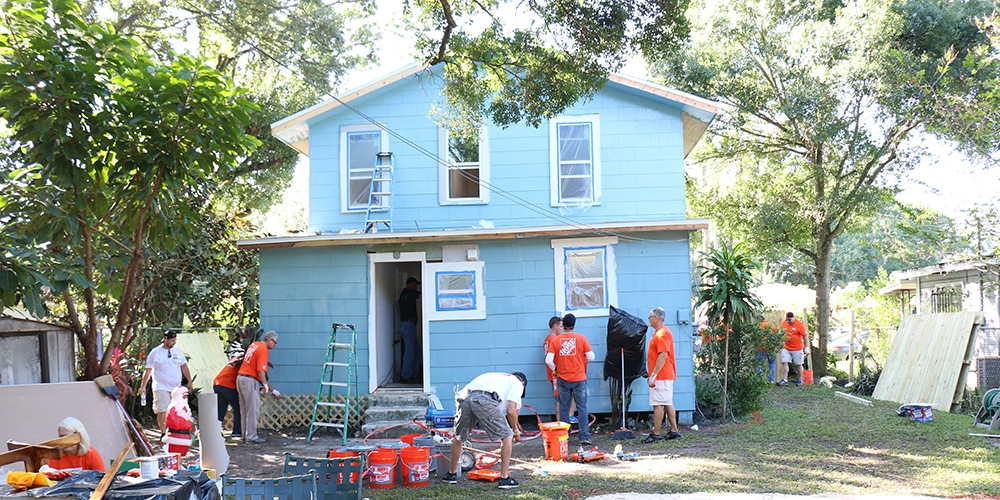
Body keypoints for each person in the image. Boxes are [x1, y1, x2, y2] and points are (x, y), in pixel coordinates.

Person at [441, 372, 527, 489]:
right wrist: (515, 429)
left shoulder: (498, 378)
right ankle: (504, 478)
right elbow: (511, 411)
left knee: (459, 436)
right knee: (507, 436)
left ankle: (451, 475)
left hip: (464, 396)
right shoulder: (517, 383)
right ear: (523, 384)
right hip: (484, 399)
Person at [545, 313, 594, 446]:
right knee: (582, 407)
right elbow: (591, 357)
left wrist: (555, 368)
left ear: (563, 325)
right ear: (574, 325)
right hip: (579, 377)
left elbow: (548, 360)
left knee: (564, 408)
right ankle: (584, 436)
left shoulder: (556, 340)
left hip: (562, 378)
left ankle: (564, 435)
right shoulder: (581, 338)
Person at [139, 330, 193, 436]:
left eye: (175, 340)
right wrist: (143, 386)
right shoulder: (155, 352)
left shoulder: (178, 351)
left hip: (176, 387)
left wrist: (189, 381)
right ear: (165, 339)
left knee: (178, 408)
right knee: (163, 409)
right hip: (161, 386)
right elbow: (148, 370)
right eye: (172, 340)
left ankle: (176, 430)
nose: (174, 342)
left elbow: (184, 366)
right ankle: (164, 432)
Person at [644, 307, 681, 443]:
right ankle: (674, 431)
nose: (649, 320)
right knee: (667, 402)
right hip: (665, 374)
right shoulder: (661, 332)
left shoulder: (662, 334)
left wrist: (653, 375)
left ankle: (657, 433)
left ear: (656, 318)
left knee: (658, 404)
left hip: (661, 375)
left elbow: (663, 355)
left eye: (650, 317)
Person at [238, 331, 279, 443]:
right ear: (270, 340)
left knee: (244, 409)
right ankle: (251, 436)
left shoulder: (254, 345)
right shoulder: (263, 350)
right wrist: (265, 385)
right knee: (253, 409)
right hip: (250, 380)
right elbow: (261, 370)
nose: (275, 345)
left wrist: (272, 389)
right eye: (275, 343)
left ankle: (245, 435)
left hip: (241, 378)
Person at [213, 346, 244, 437]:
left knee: (221, 408)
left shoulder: (236, 359)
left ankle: (216, 430)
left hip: (218, 382)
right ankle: (237, 431)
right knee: (238, 407)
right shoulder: (243, 363)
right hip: (228, 385)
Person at [398, 277, 421, 383]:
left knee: (416, 351)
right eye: (416, 284)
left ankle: (414, 374)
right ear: (410, 284)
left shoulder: (405, 294)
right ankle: (406, 376)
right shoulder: (408, 293)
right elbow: (421, 294)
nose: (417, 287)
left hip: (408, 325)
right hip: (408, 325)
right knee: (410, 351)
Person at [778, 312, 809, 386]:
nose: (788, 321)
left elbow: (805, 336)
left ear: (793, 318)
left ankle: (800, 380)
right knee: (784, 362)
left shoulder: (800, 324)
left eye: (790, 320)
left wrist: (807, 347)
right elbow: (781, 334)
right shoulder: (784, 323)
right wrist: (779, 344)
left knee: (799, 364)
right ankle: (785, 379)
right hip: (786, 347)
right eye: (787, 319)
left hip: (797, 348)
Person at [163, 387, 193, 457]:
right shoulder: (173, 408)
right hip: (175, 436)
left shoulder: (185, 408)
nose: (186, 398)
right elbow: (176, 423)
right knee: (174, 457)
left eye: (186, 396)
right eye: (184, 396)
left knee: (181, 456)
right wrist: (189, 422)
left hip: (186, 437)